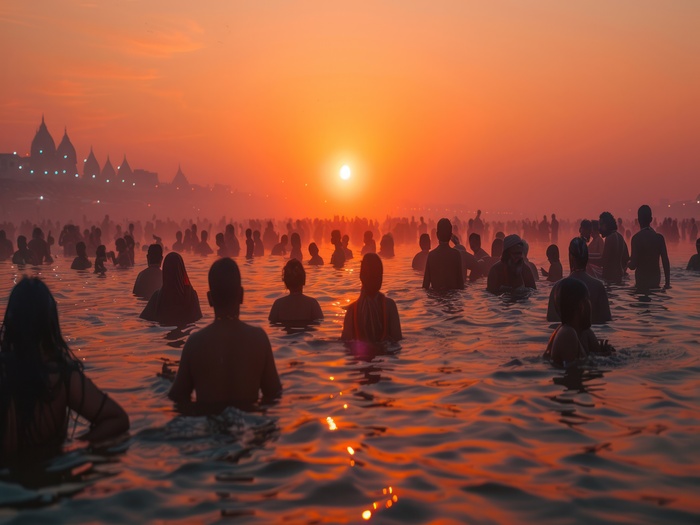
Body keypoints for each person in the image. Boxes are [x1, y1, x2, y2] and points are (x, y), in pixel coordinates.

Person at [0, 278, 129, 465]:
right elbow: (117, 420)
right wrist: (74, 448)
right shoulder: (61, 376)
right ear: (50, 323)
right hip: (51, 481)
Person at [168, 258, 282, 408]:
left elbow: (178, 398)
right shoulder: (258, 339)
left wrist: (172, 381)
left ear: (209, 299)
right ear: (241, 295)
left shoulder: (195, 342)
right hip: (247, 422)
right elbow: (274, 395)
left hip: (209, 424)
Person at [543, 278, 613, 367]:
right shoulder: (567, 334)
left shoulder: (584, 333)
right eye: (588, 300)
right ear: (582, 305)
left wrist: (603, 356)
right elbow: (573, 375)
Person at [547, 238, 612, 324]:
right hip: (593, 334)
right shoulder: (598, 286)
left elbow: (552, 322)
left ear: (570, 257)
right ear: (587, 257)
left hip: (567, 336)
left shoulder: (557, 287)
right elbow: (606, 320)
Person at [341, 253, 402, 342]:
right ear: (362, 277)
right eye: (373, 275)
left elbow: (345, 345)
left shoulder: (389, 306)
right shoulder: (352, 311)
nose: (377, 279)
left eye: (379, 275)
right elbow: (397, 341)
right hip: (383, 354)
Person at [140, 252, 202, 326]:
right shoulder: (191, 295)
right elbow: (198, 319)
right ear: (182, 269)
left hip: (161, 333)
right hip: (185, 334)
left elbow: (144, 319)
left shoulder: (157, 296)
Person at [628, 205, 671, 291]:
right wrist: (667, 283)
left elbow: (633, 265)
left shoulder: (636, 238)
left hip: (641, 282)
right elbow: (665, 262)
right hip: (655, 280)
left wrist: (627, 262)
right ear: (651, 219)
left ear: (638, 220)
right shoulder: (659, 238)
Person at [268, 259, 324, 324]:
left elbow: (272, 325)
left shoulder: (278, 304)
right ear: (304, 280)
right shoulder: (312, 304)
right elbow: (320, 324)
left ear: (286, 282)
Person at [422, 218, 464, 290]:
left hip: (435, 297)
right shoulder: (456, 255)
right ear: (451, 235)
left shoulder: (431, 255)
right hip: (453, 298)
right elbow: (461, 285)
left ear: (437, 235)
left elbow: (425, 286)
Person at [598, 212, 629, 284]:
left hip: (609, 280)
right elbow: (626, 259)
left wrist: (586, 260)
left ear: (605, 225)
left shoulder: (609, 238)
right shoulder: (620, 237)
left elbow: (603, 262)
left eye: (600, 225)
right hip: (619, 277)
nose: (599, 229)